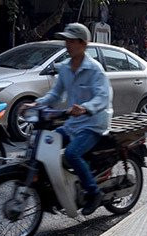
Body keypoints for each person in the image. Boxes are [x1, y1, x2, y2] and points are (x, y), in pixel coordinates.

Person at [32, 23, 112, 215]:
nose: (67, 44)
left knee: (71, 154)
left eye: (71, 40)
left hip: (93, 124)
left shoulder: (95, 69)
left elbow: (103, 97)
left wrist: (85, 108)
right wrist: (37, 104)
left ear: (83, 44)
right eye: (66, 40)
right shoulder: (66, 68)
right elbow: (55, 94)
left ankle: (94, 193)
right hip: (73, 123)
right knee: (43, 145)